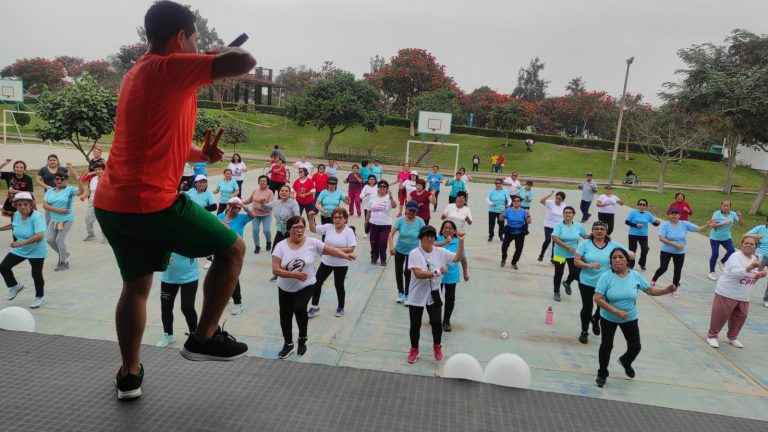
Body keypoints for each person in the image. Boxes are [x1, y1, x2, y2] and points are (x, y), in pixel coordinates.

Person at [93, 1, 256, 400]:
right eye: (195, 39)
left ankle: (129, 375)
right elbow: (245, 60)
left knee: (135, 287)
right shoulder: (167, 67)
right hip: (151, 204)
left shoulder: (139, 73)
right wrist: (212, 55)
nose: (198, 46)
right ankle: (204, 337)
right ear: (181, 37)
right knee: (233, 248)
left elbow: (156, 143)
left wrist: (201, 156)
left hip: (113, 204)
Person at [271, 215, 355, 359]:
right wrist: (292, 275)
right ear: (289, 229)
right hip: (285, 286)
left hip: (306, 284)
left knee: (299, 308)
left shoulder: (312, 243)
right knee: (285, 316)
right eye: (295, 227)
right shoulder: (281, 246)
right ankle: (288, 344)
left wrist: (344, 255)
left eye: (301, 227)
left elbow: (331, 250)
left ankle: (303, 338)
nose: (299, 230)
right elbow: (275, 270)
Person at [593, 248, 677, 388]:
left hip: (630, 317)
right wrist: (616, 311)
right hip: (609, 317)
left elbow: (649, 290)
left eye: (621, 257)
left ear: (627, 260)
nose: (617, 260)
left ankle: (626, 361)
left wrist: (666, 290)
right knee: (606, 346)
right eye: (614, 258)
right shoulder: (606, 277)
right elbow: (597, 298)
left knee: (635, 347)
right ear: (611, 261)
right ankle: (602, 373)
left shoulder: (635, 276)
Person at [405, 225, 465, 364]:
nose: (429, 239)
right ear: (421, 238)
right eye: (426, 236)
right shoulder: (414, 253)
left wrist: (461, 243)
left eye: (432, 236)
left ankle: (437, 346)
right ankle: (414, 349)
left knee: (437, 323)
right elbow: (419, 274)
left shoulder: (440, 251)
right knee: (415, 324)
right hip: (417, 295)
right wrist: (437, 272)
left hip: (434, 294)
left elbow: (456, 258)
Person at [706, 237, 766, 349]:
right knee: (720, 315)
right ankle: (712, 336)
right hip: (727, 292)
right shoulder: (735, 256)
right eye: (746, 243)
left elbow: (751, 278)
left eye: (752, 244)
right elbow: (734, 273)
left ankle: (732, 337)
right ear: (742, 244)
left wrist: (759, 275)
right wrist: (750, 267)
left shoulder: (754, 258)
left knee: (740, 316)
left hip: (743, 294)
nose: (749, 245)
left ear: (755, 247)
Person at [574, 221, 629, 345]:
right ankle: (584, 331)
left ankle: (595, 318)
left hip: (606, 282)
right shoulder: (585, 244)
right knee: (587, 307)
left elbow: (627, 254)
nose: (599, 231)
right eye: (596, 229)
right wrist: (589, 265)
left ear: (606, 231)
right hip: (587, 281)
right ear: (592, 231)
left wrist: (630, 254)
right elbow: (576, 261)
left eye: (602, 229)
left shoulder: (613, 245)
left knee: (602, 307)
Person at [306, 208, 356, 318]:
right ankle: (314, 306)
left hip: (341, 264)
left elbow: (351, 248)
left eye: (340, 217)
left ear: (345, 219)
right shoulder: (328, 227)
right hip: (326, 262)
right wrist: (311, 218)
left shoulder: (349, 231)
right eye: (335, 217)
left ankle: (341, 307)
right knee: (317, 283)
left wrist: (334, 250)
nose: (337, 220)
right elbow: (313, 229)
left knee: (339, 285)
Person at [0, 192, 47, 308]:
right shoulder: (16, 215)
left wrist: (21, 243)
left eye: (25, 204)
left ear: (31, 204)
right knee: (3, 267)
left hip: (36, 249)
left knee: (36, 273)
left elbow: (39, 236)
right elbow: (13, 225)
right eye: (19, 204)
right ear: (15, 205)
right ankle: (14, 286)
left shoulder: (37, 217)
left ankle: (40, 297)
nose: (22, 207)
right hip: (20, 248)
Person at [651, 207, 710, 299]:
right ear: (669, 214)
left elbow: (698, 229)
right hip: (666, 250)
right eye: (672, 213)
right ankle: (654, 280)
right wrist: (674, 244)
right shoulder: (666, 225)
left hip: (679, 252)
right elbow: (661, 238)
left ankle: (674, 289)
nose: (674, 215)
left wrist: (708, 225)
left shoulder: (684, 224)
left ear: (679, 215)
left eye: (676, 213)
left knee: (677, 270)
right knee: (663, 267)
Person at [217, 197, 256, 315]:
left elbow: (253, 216)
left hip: (235, 252)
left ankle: (238, 303)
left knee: (232, 277)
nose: (234, 209)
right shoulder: (220, 217)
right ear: (227, 206)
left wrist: (243, 205)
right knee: (221, 275)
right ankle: (227, 295)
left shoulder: (241, 218)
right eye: (232, 206)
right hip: (220, 250)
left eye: (237, 208)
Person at [43, 164, 84, 271]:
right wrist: (59, 210)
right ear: (54, 180)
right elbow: (45, 205)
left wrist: (79, 181)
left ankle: (63, 262)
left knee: (59, 240)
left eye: (62, 179)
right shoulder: (50, 191)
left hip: (67, 219)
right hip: (54, 219)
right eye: (57, 178)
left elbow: (80, 192)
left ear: (66, 180)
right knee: (50, 239)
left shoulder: (69, 189)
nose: (59, 180)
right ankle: (64, 253)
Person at [156, 253, 200, 348]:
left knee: (187, 307)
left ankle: (194, 334)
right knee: (165, 307)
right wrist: (162, 258)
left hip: (190, 277)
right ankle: (168, 335)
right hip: (168, 278)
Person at [260, 184, 301, 281]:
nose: (284, 192)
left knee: (291, 252)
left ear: (290, 193)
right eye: (282, 191)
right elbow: (265, 208)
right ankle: (278, 272)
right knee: (275, 252)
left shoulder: (293, 203)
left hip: (290, 232)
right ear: (279, 192)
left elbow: (297, 217)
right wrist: (262, 203)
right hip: (280, 231)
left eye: (286, 191)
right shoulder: (276, 202)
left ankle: (294, 271)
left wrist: (291, 228)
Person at [388, 200, 426, 304]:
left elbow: (425, 235)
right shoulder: (400, 220)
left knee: (408, 272)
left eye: (414, 211)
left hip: (413, 252)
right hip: (399, 250)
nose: (412, 213)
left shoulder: (420, 221)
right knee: (398, 271)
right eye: (410, 210)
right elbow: (391, 234)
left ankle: (408, 294)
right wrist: (391, 247)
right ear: (406, 209)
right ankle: (400, 293)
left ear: (417, 211)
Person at [436, 220, 469, 332]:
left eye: (450, 228)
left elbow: (463, 259)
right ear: (442, 229)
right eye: (445, 228)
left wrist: (465, 273)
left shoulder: (458, 242)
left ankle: (446, 321)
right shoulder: (437, 239)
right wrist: (445, 242)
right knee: (435, 298)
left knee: (450, 299)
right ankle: (436, 318)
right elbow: (431, 246)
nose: (447, 230)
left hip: (451, 275)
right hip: (437, 275)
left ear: (454, 231)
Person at [551, 206, 588, 302]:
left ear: (573, 214)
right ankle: (556, 292)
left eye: (570, 212)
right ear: (563, 214)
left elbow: (585, 236)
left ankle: (567, 283)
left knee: (575, 273)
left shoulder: (578, 225)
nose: (568, 214)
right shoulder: (558, 225)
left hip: (573, 255)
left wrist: (596, 234)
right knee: (559, 273)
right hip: (560, 254)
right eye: (566, 212)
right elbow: (555, 238)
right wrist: (567, 247)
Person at [707, 200, 743, 281]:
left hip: (726, 237)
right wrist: (723, 223)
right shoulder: (717, 214)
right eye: (724, 205)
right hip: (715, 238)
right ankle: (711, 272)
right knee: (715, 254)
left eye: (727, 206)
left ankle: (722, 262)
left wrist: (740, 216)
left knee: (732, 251)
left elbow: (741, 224)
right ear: (721, 206)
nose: (726, 207)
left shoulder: (733, 214)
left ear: (730, 207)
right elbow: (712, 225)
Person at [366, 180, 397, 265]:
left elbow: (394, 206)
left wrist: (391, 197)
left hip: (385, 225)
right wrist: (366, 221)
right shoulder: (373, 197)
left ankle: (383, 259)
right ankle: (374, 258)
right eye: (380, 186)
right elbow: (369, 210)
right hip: (373, 223)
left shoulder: (390, 197)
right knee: (373, 242)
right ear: (378, 188)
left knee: (383, 242)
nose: (382, 188)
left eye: (384, 186)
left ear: (387, 188)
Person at [624, 199, 661, 271]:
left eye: (644, 205)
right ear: (638, 205)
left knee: (645, 249)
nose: (642, 206)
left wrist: (658, 222)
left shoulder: (649, 214)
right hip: (633, 234)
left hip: (643, 235)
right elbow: (627, 222)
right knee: (632, 250)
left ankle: (642, 263)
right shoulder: (633, 212)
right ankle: (631, 264)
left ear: (646, 206)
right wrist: (636, 225)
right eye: (640, 204)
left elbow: (654, 223)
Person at [242, 175, 274, 254]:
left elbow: (270, 206)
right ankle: (257, 246)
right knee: (255, 230)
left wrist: (262, 205)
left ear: (267, 183)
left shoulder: (270, 192)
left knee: (266, 230)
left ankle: (268, 242)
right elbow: (249, 200)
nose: (262, 182)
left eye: (264, 181)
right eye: (261, 181)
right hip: (255, 214)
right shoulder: (255, 191)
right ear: (258, 182)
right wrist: (241, 202)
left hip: (266, 214)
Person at [499, 196, 530, 270]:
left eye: (518, 201)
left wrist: (528, 214)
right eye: (514, 201)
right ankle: (504, 258)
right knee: (504, 246)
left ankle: (514, 262)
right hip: (509, 230)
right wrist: (501, 212)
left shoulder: (523, 211)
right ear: (512, 202)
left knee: (519, 248)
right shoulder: (508, 210)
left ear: (520, 202)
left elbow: (529, 222)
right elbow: (501, 219)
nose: (516, 202)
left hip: (520, 232)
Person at [35, 154, 67, 224]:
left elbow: (70, 176)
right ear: (48, 161)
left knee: (60, 211)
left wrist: (70, 168)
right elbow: (37, 180)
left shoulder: (62, 169)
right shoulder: (43, 169)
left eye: (54, 160)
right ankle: (48, 228)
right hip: (49, 194)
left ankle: (59, 225)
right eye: (50, 160)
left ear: (57, 161)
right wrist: (46, 186)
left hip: (61, 193)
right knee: (48, 212)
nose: (52, 161)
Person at [743, 218, 768, 308]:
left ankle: (766, 299)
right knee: (754, 275)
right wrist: (755, 237)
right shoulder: (761, 228)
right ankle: (743, 292)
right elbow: (745, 235)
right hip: (760, 255)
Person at [538, 191, 567, 262]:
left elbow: (566, 216)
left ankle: (553, 258)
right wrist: (549, 194)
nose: (557, 200)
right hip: (548, 224)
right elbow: (541, 201)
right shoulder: (550, 202)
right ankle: (542, 254)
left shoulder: (564, 206)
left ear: (562, 200)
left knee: (556, 242)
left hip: (558, 226)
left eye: (559, 199)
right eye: (556, 198)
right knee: (548, 240)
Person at [81, 161, 106, 242]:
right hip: (92, 202)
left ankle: (105, 236)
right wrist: (84, 196)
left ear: (104, 170)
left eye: (99, 169)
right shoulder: (94, 179)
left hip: (103, 203)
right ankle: (91, 235)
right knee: (88, 219)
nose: (97, 171)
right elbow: (89, 190)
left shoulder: (108, 179)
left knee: (103, 220)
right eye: (96, 169)